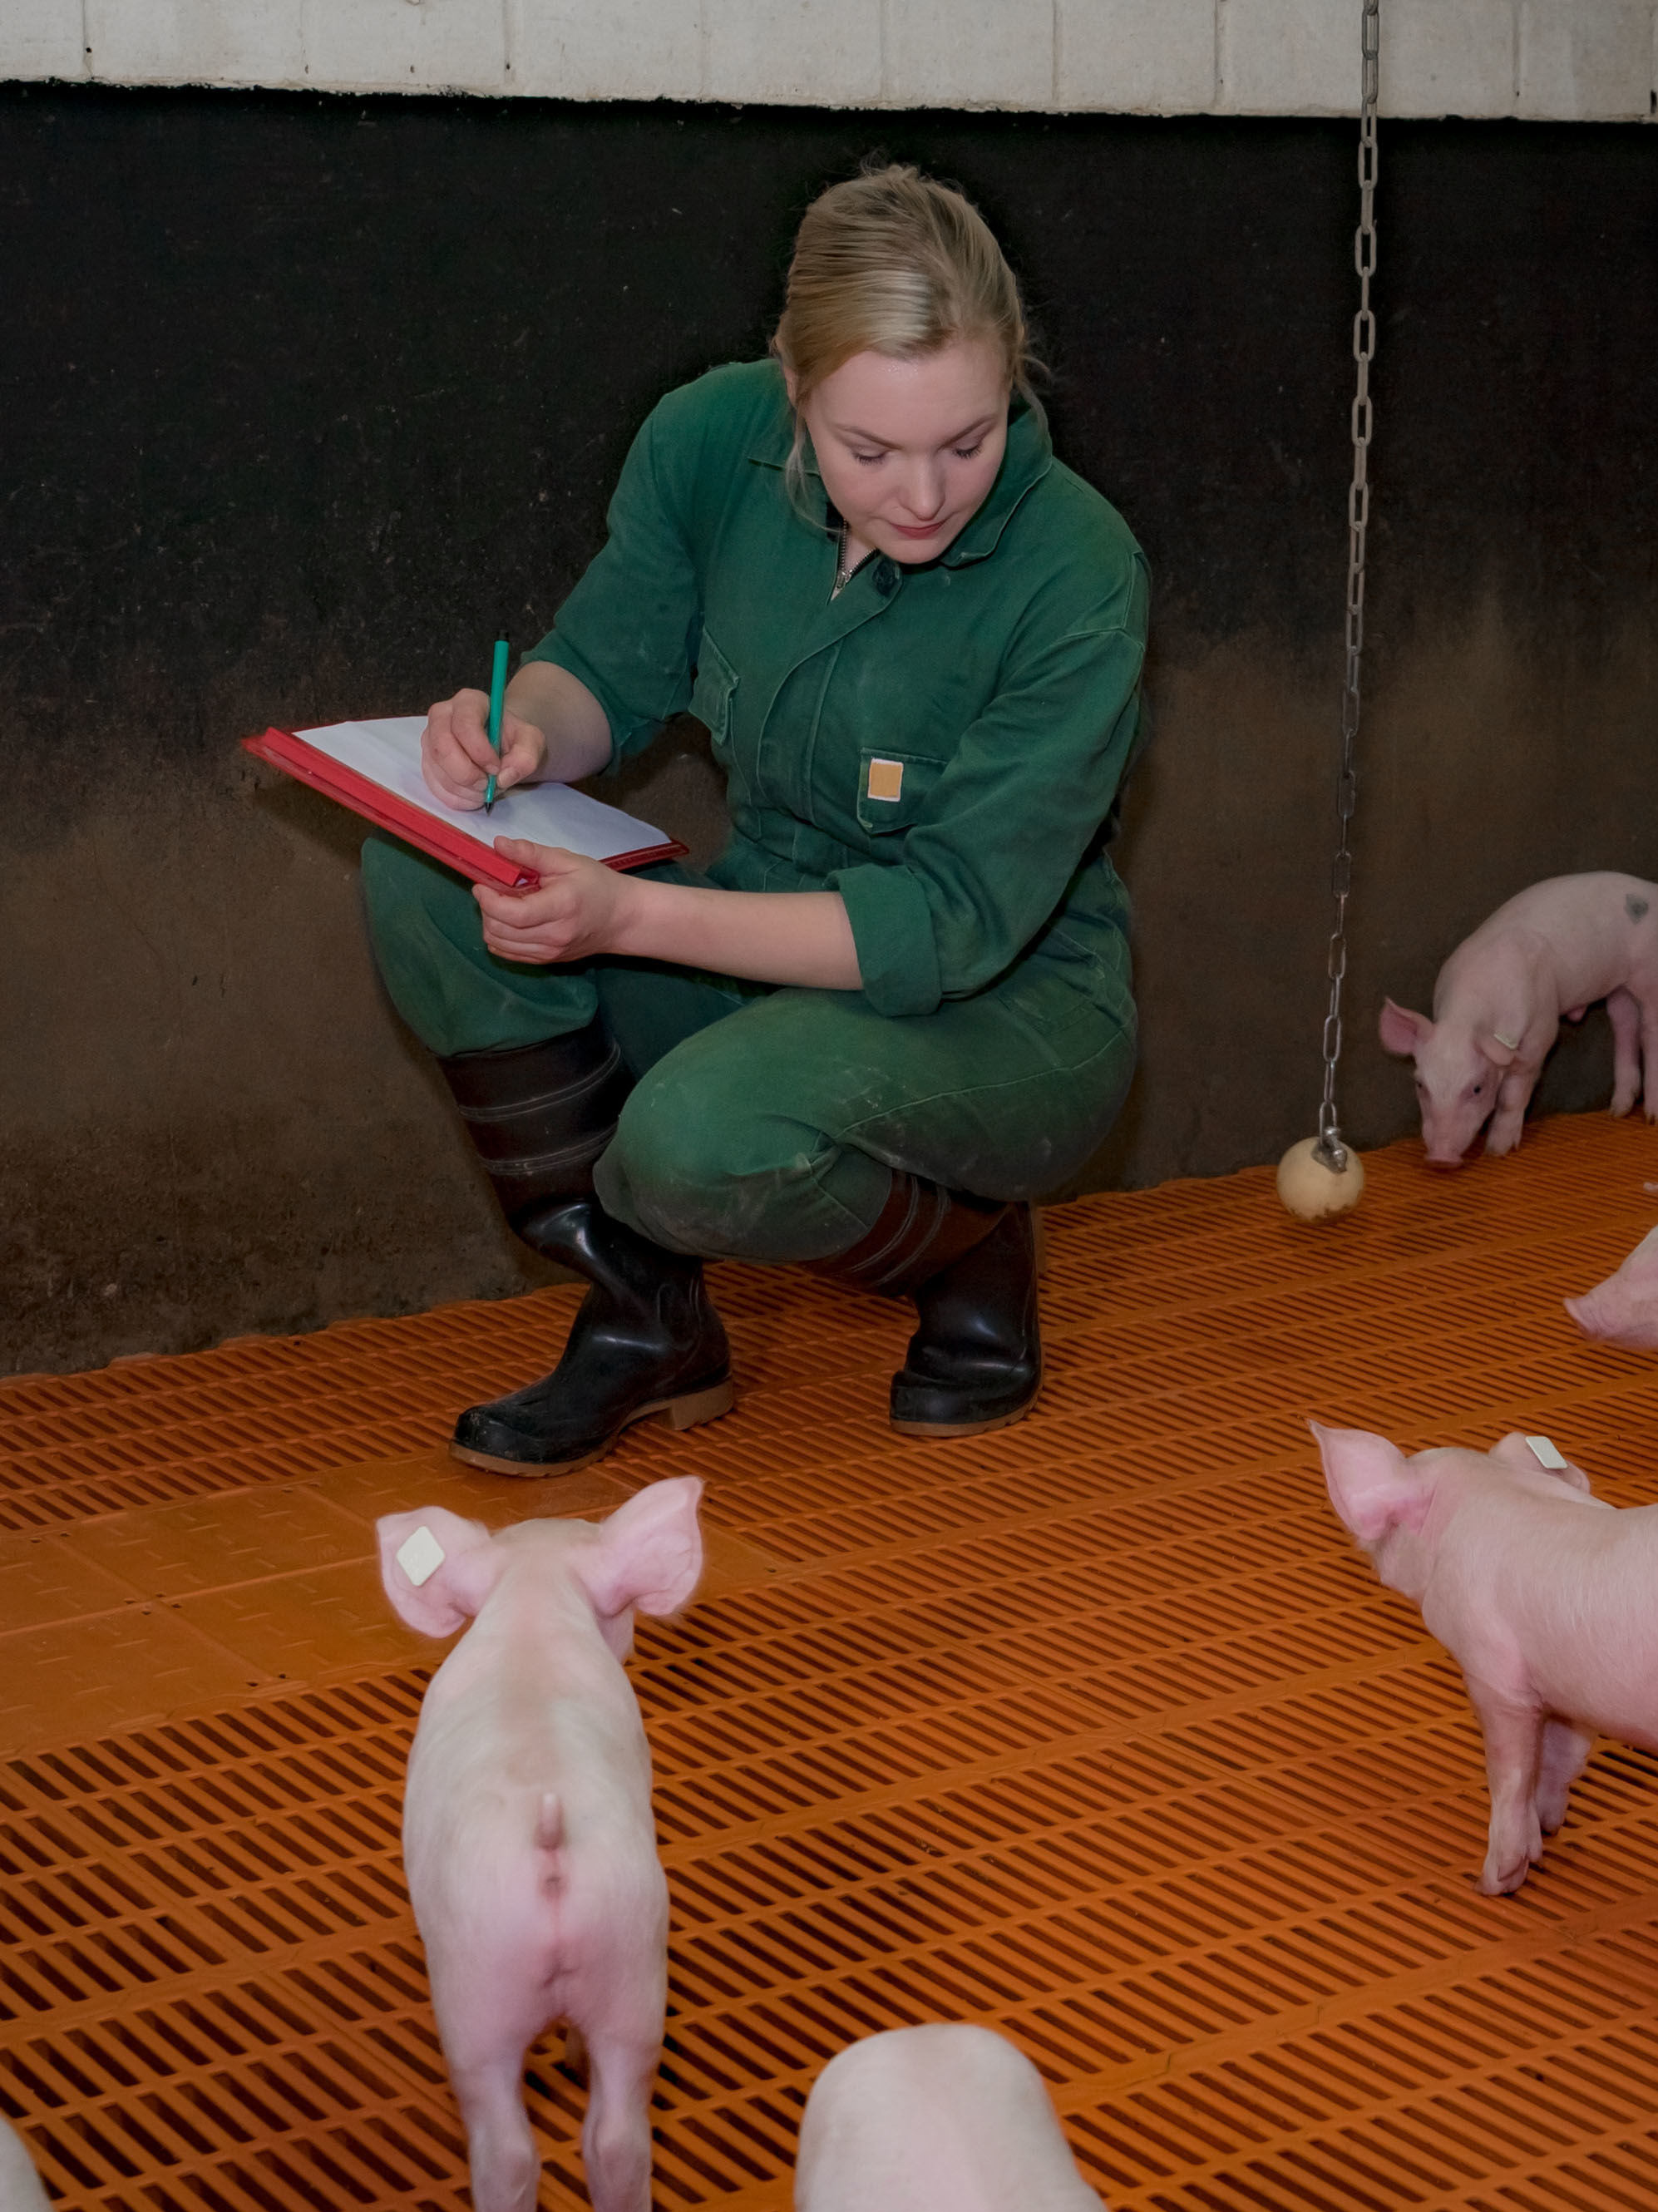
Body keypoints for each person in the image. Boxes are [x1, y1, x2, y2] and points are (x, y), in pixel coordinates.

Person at [360, 163, 1148, 1474]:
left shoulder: (1079, 571)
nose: (924, 496)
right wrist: (526, 733)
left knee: (696, 1149)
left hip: (1005, 1003)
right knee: (426, 874)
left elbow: (946, 924)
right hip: (754, 938)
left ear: (1014, 376)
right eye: (869, 449)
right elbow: (601, 671)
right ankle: (646, 1316)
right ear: (793, 381)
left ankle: (970, 1240)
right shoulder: (705, 441)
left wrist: (631, 914)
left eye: (969, 438)